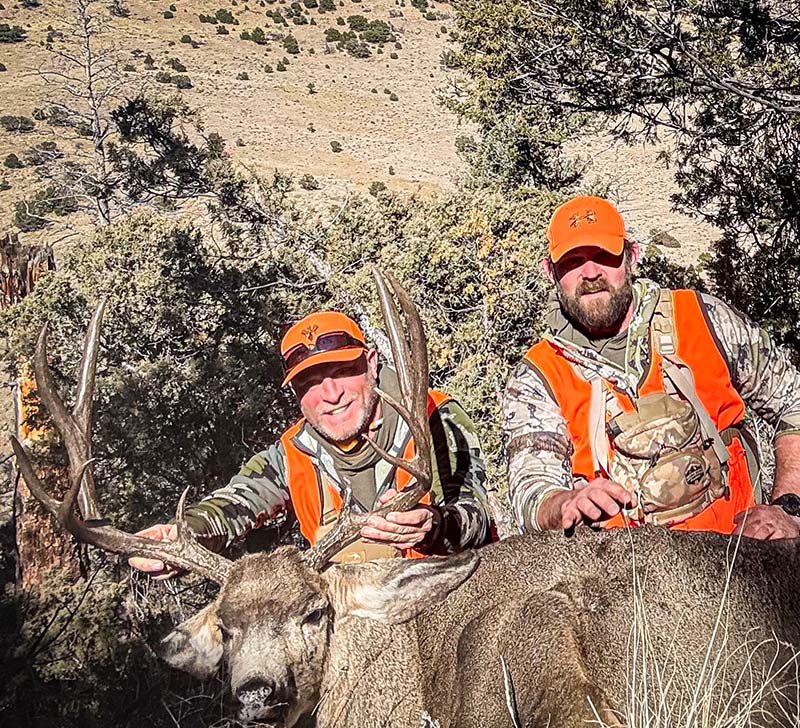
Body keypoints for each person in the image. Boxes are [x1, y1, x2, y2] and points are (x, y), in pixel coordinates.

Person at [503, 195, 800, 540]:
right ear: (550, 271)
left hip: (740, 557)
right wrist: (564, 503)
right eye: (573, 261)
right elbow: (532, 492)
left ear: (631, 256)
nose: (591, 273)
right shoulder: (537, 377)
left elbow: (793, 402)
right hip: (621, 570)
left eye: (604, 255)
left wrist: (788, 508)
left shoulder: (704, 319)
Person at [131, 310, 493, 576]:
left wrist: (435, 526)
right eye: (310, 383)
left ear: (371, 364)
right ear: (295, 392)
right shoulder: (293, 452)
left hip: (448, 600)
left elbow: (476, 516)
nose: (331, 394)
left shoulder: (433, 416)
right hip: (357, 621)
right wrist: (185, 533)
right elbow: (236, 502)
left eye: (342, 372)